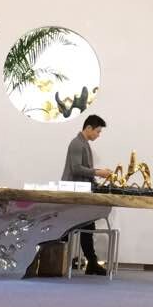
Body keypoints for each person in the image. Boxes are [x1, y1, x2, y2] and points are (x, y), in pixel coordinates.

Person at [61, 114, 112, 275]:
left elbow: (83, 171)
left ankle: (91, 262)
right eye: (98, 131)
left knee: (86, 225)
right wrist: (97, 172)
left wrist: (97, 179)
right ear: (88, 128)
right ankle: (64, 260)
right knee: (70, 228)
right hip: (73, 193)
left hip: (80, 192)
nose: (98, 135)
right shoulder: (77, 144)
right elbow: (76, 168)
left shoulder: (84, 144)